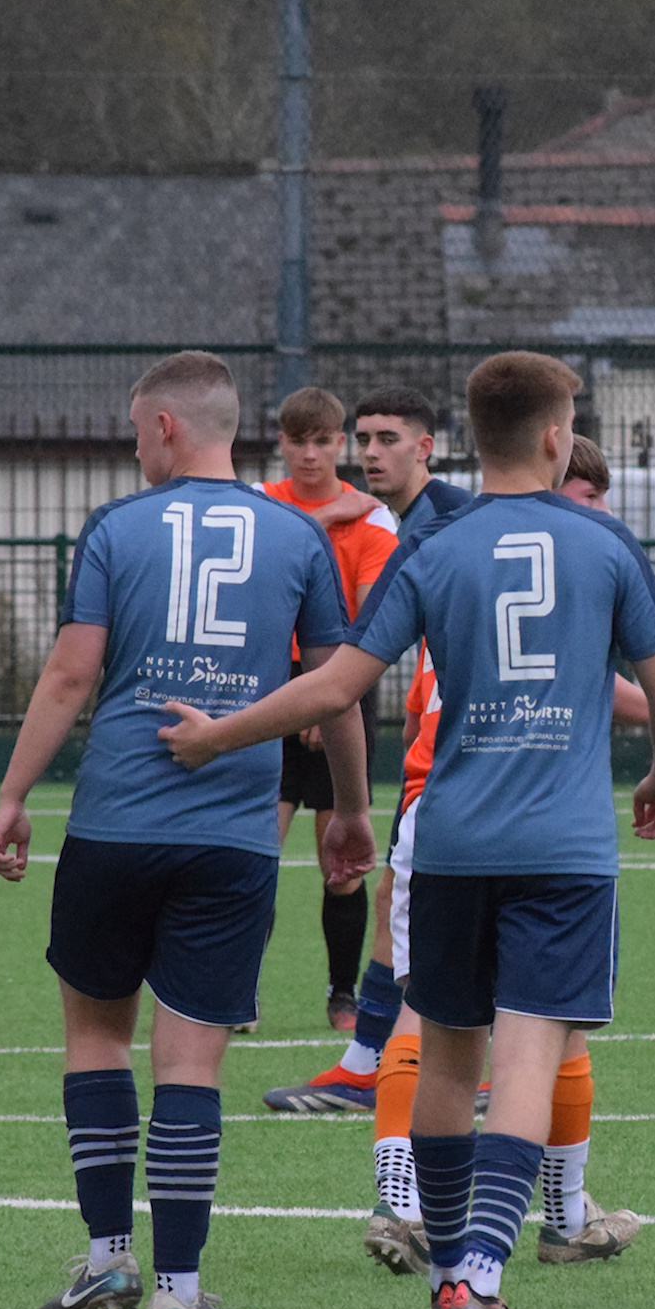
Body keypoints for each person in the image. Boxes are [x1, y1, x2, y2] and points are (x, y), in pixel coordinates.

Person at [163, 351, 655, 1309]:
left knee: (447, 1053)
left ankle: (449, 1258)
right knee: (527, 1052)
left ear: (470, 435)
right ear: (553, 437)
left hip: (445, 842)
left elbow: (334, 686)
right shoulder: (606, 544)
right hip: (561, 847)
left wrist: (216, 732)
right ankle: (481, 1267)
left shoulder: (430, 549)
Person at [0, 351, 373, 1309]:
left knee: (95, 1036)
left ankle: (108, 1259)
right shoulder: (296, 533)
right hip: (231, 833)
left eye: (133, 429)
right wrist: (348, 810)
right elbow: (335, 687)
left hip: (115, 819)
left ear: (162, 427)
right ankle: (179, 1295)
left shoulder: (117, 525)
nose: (133, 445)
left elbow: (72, 675)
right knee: (191, 1061)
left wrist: (15, 789)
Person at [262, 386, 471, 1117]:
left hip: (466, 750)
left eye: (389, 438)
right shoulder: (414, 521)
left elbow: (349, 664)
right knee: (395, 897)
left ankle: (462, 1074)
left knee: (432, 909)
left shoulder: (442, 522)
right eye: (368, 438)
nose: (370, 452)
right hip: (440, 745)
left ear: (428, 446)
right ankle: (365, 1063)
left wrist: (220, 732)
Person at [260, 386, 397, 1030]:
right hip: (263, 690)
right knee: (252, 852)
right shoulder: (259, 504)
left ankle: (343, 995)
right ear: (281, 442)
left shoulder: (373, 520)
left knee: (340, 864)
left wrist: (325, 697)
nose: (310, 454)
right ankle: (236, 991)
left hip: (340, 686)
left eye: (323, 441)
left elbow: (369, 618)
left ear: (339, 443)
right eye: (298, 440)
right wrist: (323, 519)